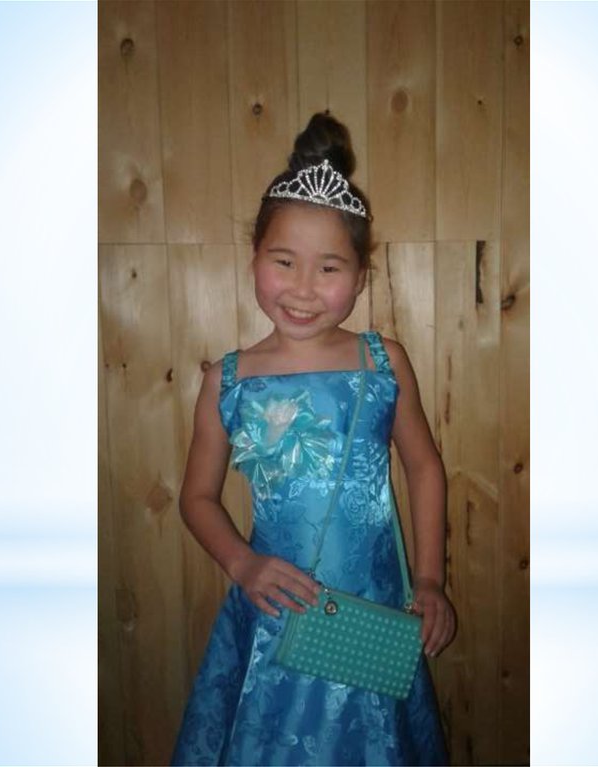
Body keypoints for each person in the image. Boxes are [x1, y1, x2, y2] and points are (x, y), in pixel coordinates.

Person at [171, 112, 455, 766]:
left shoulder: (382, 362)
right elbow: (196, 498)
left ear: (361, 276)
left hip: (372, 616)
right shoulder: (227, 381)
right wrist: (242, 565)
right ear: (254, 260)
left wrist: (431, 579)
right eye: (284, 262)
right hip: (276, 614)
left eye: (329, 267)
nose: (303, 288)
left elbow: (423, 467)